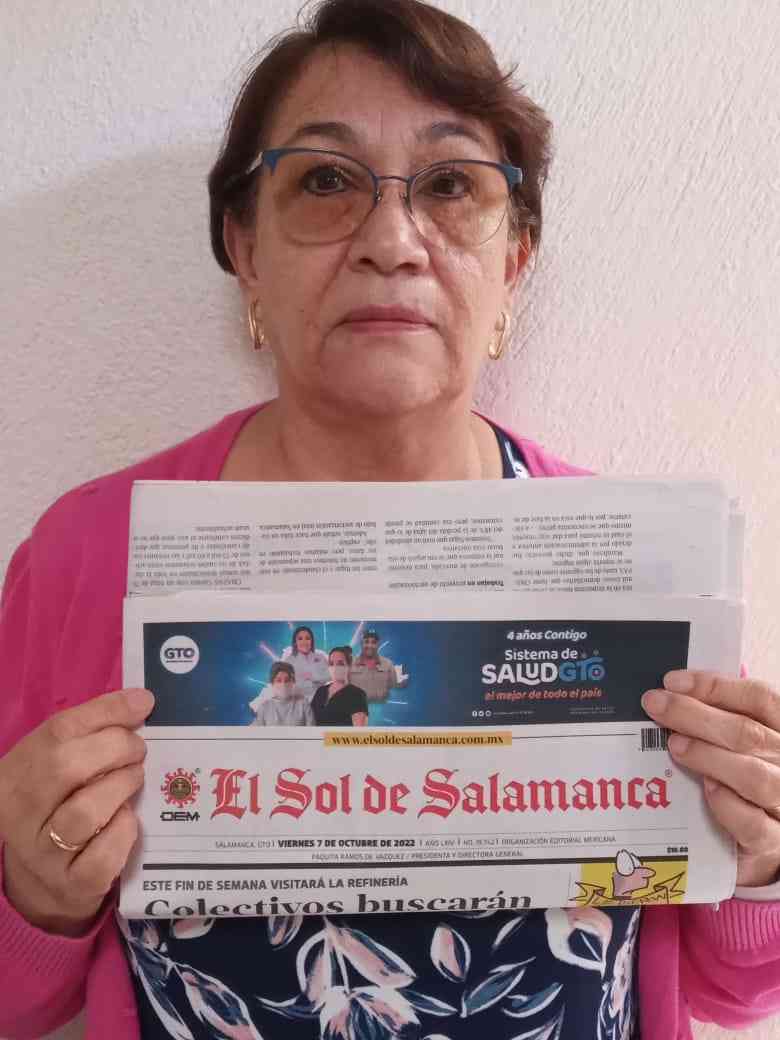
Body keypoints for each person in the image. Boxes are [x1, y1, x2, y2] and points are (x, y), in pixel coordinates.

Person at [0, 2, 779, 1038]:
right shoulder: (86, 554)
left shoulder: (644, 565)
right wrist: (34, 898)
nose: (390, 241)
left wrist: (762, 858)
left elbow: (734, 988)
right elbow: (18, 998)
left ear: (514, 262)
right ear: (245, 245)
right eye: (326, 180)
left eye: (451, 185)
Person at [310, 646, 369, 727]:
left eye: (340, 664)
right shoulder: (320, 691)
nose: (335, 667)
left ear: (349, 666)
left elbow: (359, 731)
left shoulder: (357, 694)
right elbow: (310, 721)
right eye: (331, 664)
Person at [350, 627, 409, 703]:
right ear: (361, 643)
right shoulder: (350, 663)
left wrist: (403, 679)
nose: (370, 645)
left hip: (380, 706)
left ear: (378, 644)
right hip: (356, 706)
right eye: (366, 642)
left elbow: (396, 683)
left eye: (373, 642)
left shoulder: (388, 664)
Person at [252, 660, 315, 726]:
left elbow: (312, 730)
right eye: (278, 680)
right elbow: (257, 731)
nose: (283, 684)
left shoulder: (303, 704)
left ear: (293, 682)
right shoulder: (264, 707)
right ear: (272, 683)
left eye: (287, 680)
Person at [280, 625, 331, 703]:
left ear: (312, 641)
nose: (304, 642)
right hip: (297, 701)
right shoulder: (288, 661)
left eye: (307, 638)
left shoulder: (320, 657)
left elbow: (329, 676)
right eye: (300, 639)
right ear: (295, 642)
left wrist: (312, 677)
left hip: (320, 699)